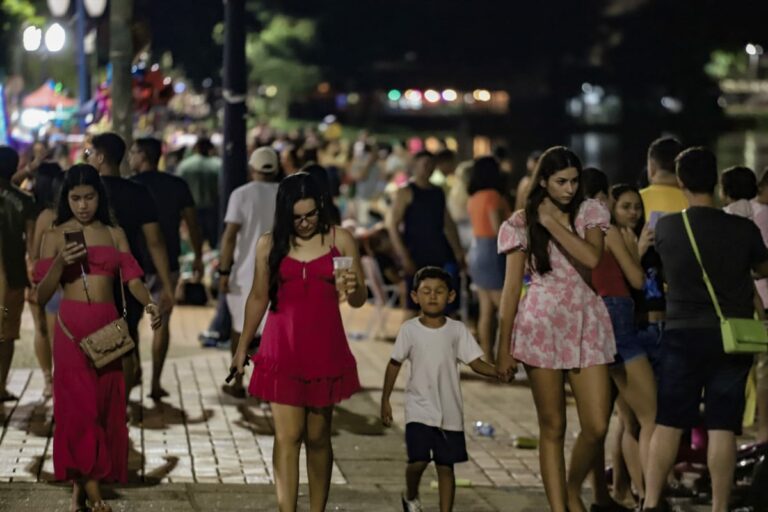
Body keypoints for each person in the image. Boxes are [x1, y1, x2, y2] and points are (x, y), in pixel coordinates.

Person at [231, 172, 367, 512]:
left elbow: (358, 299)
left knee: (318, 437)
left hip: (325, 348)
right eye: (297, 217)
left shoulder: (341, 239)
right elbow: (258, 297)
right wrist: (242, 347)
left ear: (321, 206)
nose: (305, 223)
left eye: (311, 215)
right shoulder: (269, 244)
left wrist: (353, 288)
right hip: (282, 349)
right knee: (288, 436)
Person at [643, 148, 768, 512]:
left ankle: (650, 502)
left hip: (682, 333)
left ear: (681, 181)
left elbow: (656, 271)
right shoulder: (743, 229)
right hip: (731, 337)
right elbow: (763, 268)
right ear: (715, 181)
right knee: (722, 426)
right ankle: (719, 506)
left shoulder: (667, 227)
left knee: (668, 422)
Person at [34, 164, 162, 512]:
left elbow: (133, 280)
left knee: (104, 407)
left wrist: (150, 304)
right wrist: (59, 263)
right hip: (70, 329)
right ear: (66, 199)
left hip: (107, 328)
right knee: (78, 409)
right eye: (75, 198)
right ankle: (94, 494)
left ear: (99, 197)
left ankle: (80, 491)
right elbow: (41, 295)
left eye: (89, 197)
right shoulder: (54, 235)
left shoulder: (114, 233)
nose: (82, 205)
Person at [496, 146, 615, 512]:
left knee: (597, 424)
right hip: (540, 324)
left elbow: (592, 258)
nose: (569, 188)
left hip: (586, 320)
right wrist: (502, 348)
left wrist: (550, 223)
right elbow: (510, 289)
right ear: (544, 181)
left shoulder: (589, 212)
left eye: (574, 181)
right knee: (553, 426)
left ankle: (572, 487)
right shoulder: (520, 223)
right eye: (561, 181)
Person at [381, 266, 497, 512]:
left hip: (449, 412)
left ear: (451, 296)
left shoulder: (457, 331)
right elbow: (394, 364)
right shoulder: (410, 330)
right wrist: (385, 400)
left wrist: (497, 372)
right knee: (419, 460)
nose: (432, 296)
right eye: (426, 291)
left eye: (439, 291)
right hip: (419, 409)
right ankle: (411, 494)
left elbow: (475, 362)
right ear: (415, 296)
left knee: (446, 466)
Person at [585, 172, 656, 509]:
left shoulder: (574, 230)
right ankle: (651, 497)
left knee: (606, 422)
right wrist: (635, 250)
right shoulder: (607, 230)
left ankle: (611, 495)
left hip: (593, 321)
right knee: (652, 416)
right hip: (618, 318)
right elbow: (638, 279)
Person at [85, 133, 175, 394]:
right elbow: (155, 241)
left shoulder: (85, 193)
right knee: (125, 339)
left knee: (94, 338)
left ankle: (102, 396)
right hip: (129, 277)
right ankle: (119, 403)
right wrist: (166, 284)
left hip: (91, 277)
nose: (87, 158)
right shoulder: (138, 192)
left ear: (100, 157)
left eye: (89, 153)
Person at [129, 137, 203, 400]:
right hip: (167, 263)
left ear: (142, 155)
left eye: (133, 152)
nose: (130, 157)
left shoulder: (131, 186)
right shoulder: (177, 185)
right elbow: (192, 223)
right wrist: (198, 256)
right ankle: (155, 383)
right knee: (162, 323)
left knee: (132, 321)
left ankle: (135, 368)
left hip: (135, 263)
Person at [219, 147, 281, 398]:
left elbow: (230, 236)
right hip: (278, 272)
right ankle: (266, 384)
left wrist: (224, 271)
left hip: (245, 274)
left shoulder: (241, 194)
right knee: (270, 332)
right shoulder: (285, 194)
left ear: (252, 167)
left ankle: (237, 382)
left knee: (240, 329)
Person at [387, 151, 465, 319]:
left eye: (431, 165)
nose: (427, 168)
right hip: (415, 254)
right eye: (424, 164)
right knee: (412, 308)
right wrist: (404, 256)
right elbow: (393, 225)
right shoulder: (406, 191)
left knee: (441, 307)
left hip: (438, 253)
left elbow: (448, 224)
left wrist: (458, 251)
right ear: (415, 166)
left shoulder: (438, 192)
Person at [0, 146, 36, 402]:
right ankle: (0, 386)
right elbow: (32, 246)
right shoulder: (26, 201)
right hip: (14, 275)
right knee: (7, 334)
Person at [466, 156, 510, 362]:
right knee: (505, 309)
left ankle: (487, 358)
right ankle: (507, 359)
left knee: (485, 309)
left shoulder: (474, 198)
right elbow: (497, 228)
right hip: (493, 251)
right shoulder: (493, 196)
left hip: (477, 250)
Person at [29, 162, 65, 399]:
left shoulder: (43, 215)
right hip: (67, 284)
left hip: (43, 280)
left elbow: (34, 254)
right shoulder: (76, 217)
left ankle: (49, 381)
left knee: (42, 331)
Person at [176, 137, 221, 248]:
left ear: (196, 148)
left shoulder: (184, 165)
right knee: (213, 240)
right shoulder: (218, 165)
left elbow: (178, 188)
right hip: (212, 208)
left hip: (190, 209)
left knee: (194, 238)